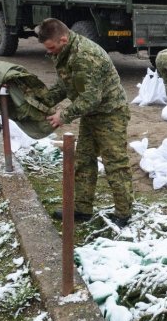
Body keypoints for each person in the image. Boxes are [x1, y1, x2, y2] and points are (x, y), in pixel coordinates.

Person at [36, 18, 133, 227]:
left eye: (52, 48)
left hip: (110, 113)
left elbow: (91, 98)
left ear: (63, 39)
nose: (50, 53)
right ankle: (82, 209)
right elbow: (64, 85)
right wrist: (40, 101)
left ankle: (124, 213)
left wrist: (63, 116)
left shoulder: (85, 56)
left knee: (115, 163)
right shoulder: (64, 52)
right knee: (84, 160)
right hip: (91, 113)